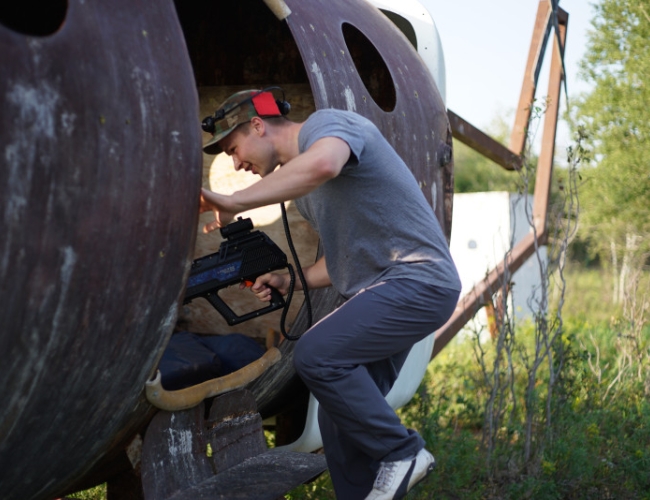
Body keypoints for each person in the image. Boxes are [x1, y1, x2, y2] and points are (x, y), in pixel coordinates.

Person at [199, 88, 461, 500]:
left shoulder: (328, 126)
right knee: (341, 420)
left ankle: (403, 451)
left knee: (316, 354)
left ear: (257, 125)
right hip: (385, 288)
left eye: (233, 148)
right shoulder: (306, 194)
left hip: (417, 281)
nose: (235, 163)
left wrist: (232, 200)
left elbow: (323, 162)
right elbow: (342, 262)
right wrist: (291, 279)